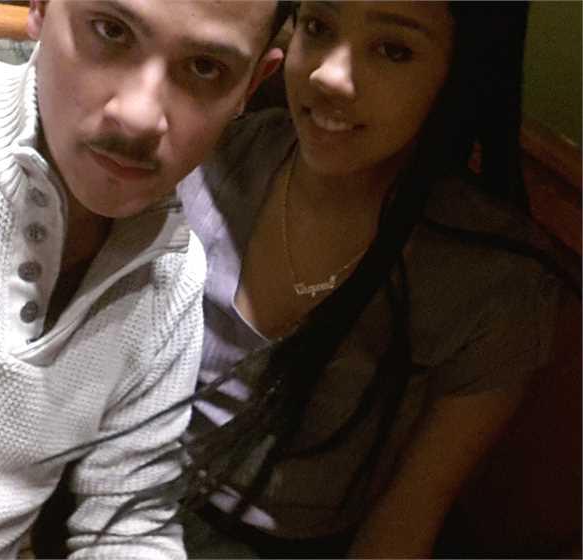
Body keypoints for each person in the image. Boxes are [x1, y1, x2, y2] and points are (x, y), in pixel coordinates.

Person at [0, 0, 288, 557]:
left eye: (204, 68)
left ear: (251, 86)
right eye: (111, 31)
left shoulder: (170, 276)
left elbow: (128, 525)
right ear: (41, 6)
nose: (139, 115)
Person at [178, 1, 575, 557]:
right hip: (123, 489)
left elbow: (404, 524)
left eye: (393, 50)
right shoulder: (222, 153)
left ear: (460, 72)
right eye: (318, 27)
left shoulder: (493, 284)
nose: (329, 75)